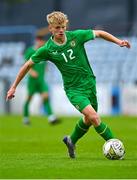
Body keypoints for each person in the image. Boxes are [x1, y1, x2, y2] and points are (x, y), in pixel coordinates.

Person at [6, 11, 131, 158]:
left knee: (88, 120)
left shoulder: (76, 36)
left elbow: (99, 33)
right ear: (51, 28)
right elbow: (27, 65)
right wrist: (13, 86)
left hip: (89, 83)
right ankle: (115, 147)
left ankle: (71, 140)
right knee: (95, 117)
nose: (61, 30)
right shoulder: (47, 49)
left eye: (63, 27)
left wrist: (118, 41)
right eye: (57, 27)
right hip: (74, 90)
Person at [23, 35, 60, 125]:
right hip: (32, 81)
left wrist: (45, 68)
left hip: (41, 80)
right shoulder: (30, 51)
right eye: (40, 41)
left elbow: (45, 62)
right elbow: (25, 64)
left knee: (46, 97)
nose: (41, 43)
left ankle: (51, 117)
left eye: (42, 41)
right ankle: (26, 118)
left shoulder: (44, 51)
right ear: (37, 41)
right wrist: (31, 71)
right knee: (29, 99)